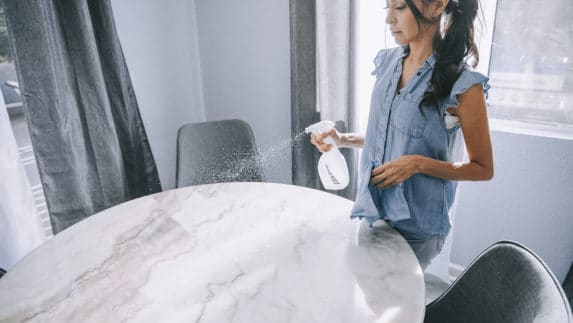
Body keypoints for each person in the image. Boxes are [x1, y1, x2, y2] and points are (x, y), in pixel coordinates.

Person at [310, 0, 493, 271]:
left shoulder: (463, 85)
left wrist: (418, 164)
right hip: (374, 210)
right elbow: (389, 134)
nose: (389, 20)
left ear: (436, 6)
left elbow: (483, 169)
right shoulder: (388, 62)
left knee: (389, 304)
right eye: (388, 9)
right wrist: (342, 139)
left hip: (417, 229)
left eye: (400, 8)